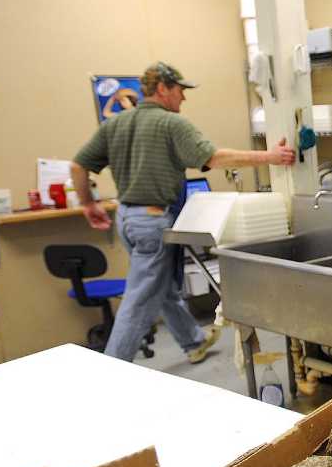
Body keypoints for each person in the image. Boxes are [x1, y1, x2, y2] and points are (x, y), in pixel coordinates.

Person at [71, 62, 296, 364]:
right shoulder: (171, 124)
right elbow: (214, 158)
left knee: (160, 288)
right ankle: (113, 369)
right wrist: (271, 157)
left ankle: (192, 342)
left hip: (126, 218)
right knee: (139, 302)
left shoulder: (116, 124)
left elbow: (78, 166)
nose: (184, 98)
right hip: (152, 221)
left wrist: (89, 204)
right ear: (162, 88)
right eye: (180, 90)